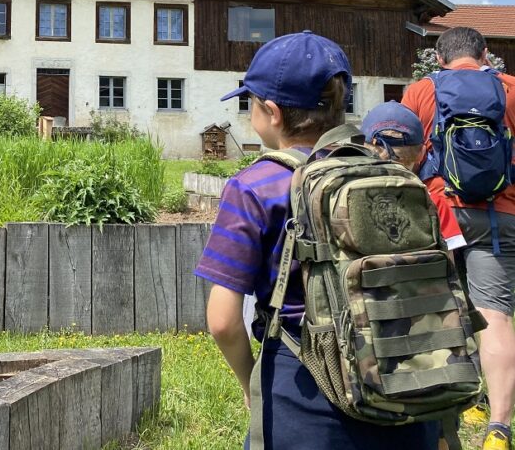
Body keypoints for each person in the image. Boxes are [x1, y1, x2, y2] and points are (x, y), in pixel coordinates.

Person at [195, 31, 439, 449]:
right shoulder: (389, 174)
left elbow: (222, 320)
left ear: (270, 112)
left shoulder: (255, 185)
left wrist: (249, 382)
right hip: (408, 382)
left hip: (303, 390)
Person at [403, 26, 515, 450]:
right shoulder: (510, 88)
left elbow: (406, 152)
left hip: (438, 213)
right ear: (486, 54)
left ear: (439, 59)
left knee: (440, 311)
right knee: (496, 316)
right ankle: (499, 429)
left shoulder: (420, 91)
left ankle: (450, 405)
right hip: (499, 215)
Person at [361, 100, 467, 252]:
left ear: (362, 149)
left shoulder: (342, 197)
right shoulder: (433, 202)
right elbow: (448, 264)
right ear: (422, 153)